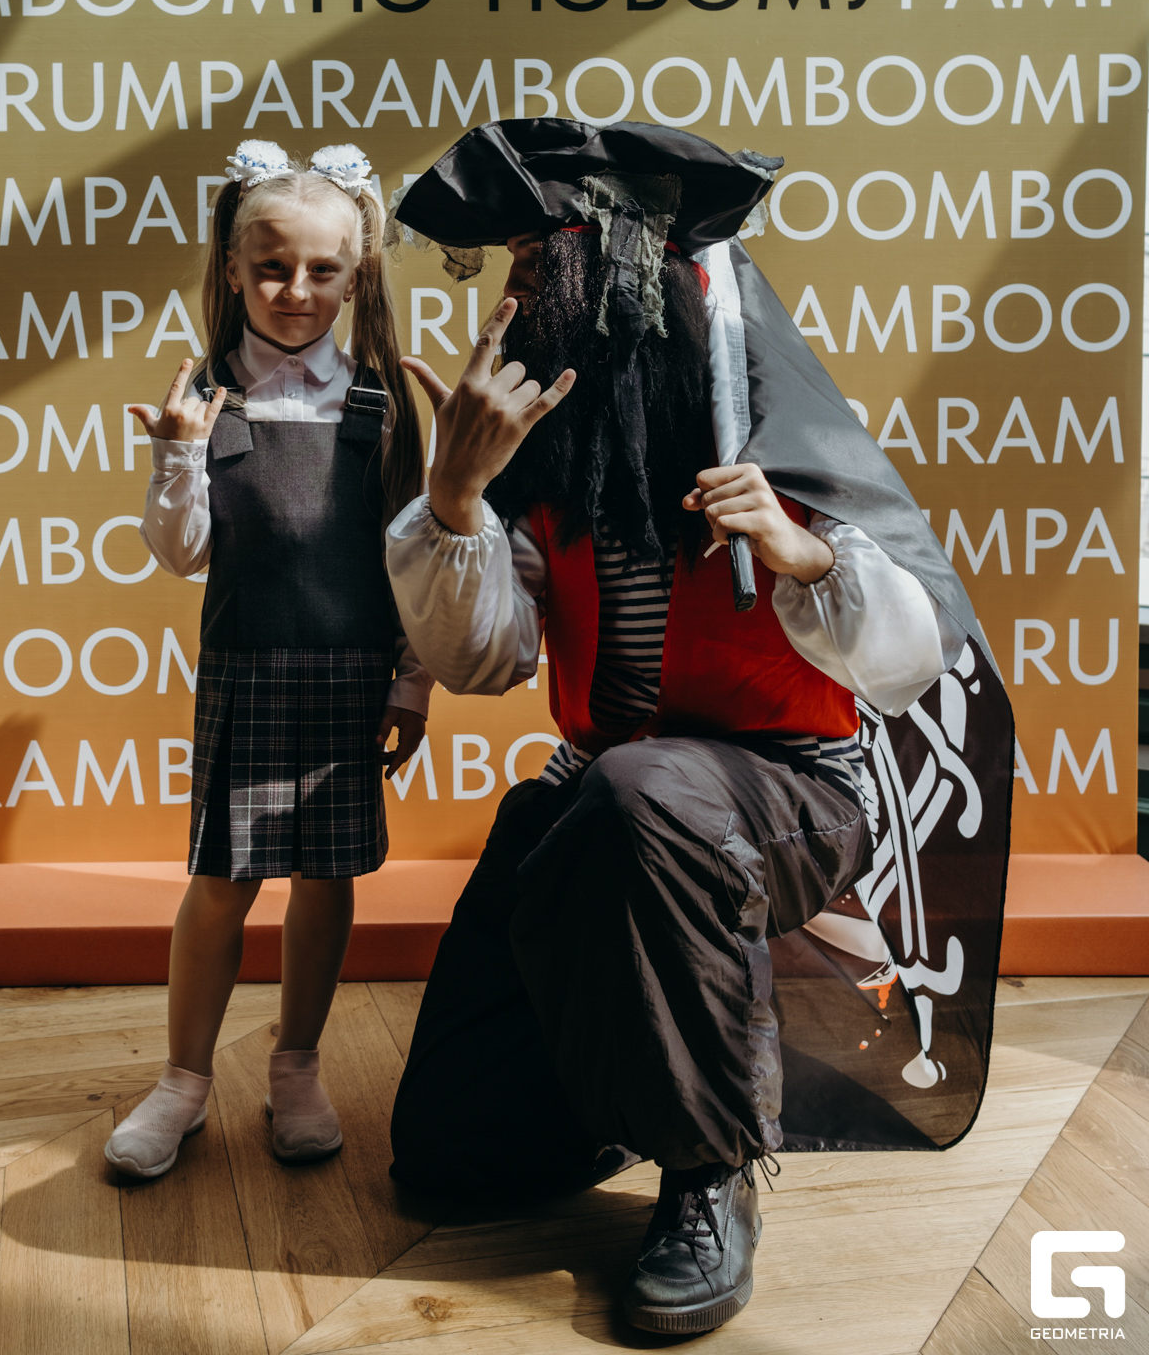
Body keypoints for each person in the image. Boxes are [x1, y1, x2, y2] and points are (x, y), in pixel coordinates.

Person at [383, 118, 1013, 1338]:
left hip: (791, 794)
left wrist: (801, 553)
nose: (517, 294)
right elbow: (483, 661)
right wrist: (454, 499)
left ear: (626, 279)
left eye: (539, 264)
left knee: (644, 794)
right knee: (455, 1155)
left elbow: (904, 665)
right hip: (608, 793)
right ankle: (633, 1075)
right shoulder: (546, 469)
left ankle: (709, 1167)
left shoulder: (773, 451)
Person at [104, 139, 430, 1180]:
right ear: (233, 268)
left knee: (326, 881)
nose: (297, 291)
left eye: (322, 270)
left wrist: (411, 683)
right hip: (246, 672)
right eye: (273, 267)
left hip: (351, 680)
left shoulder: (380, 405)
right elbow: (182, 554)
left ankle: (296, 1068)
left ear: (357, 274)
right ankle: (182, 1083)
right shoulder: (206, 398)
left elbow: (415, 558)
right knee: (219, 883)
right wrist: (175, 454)